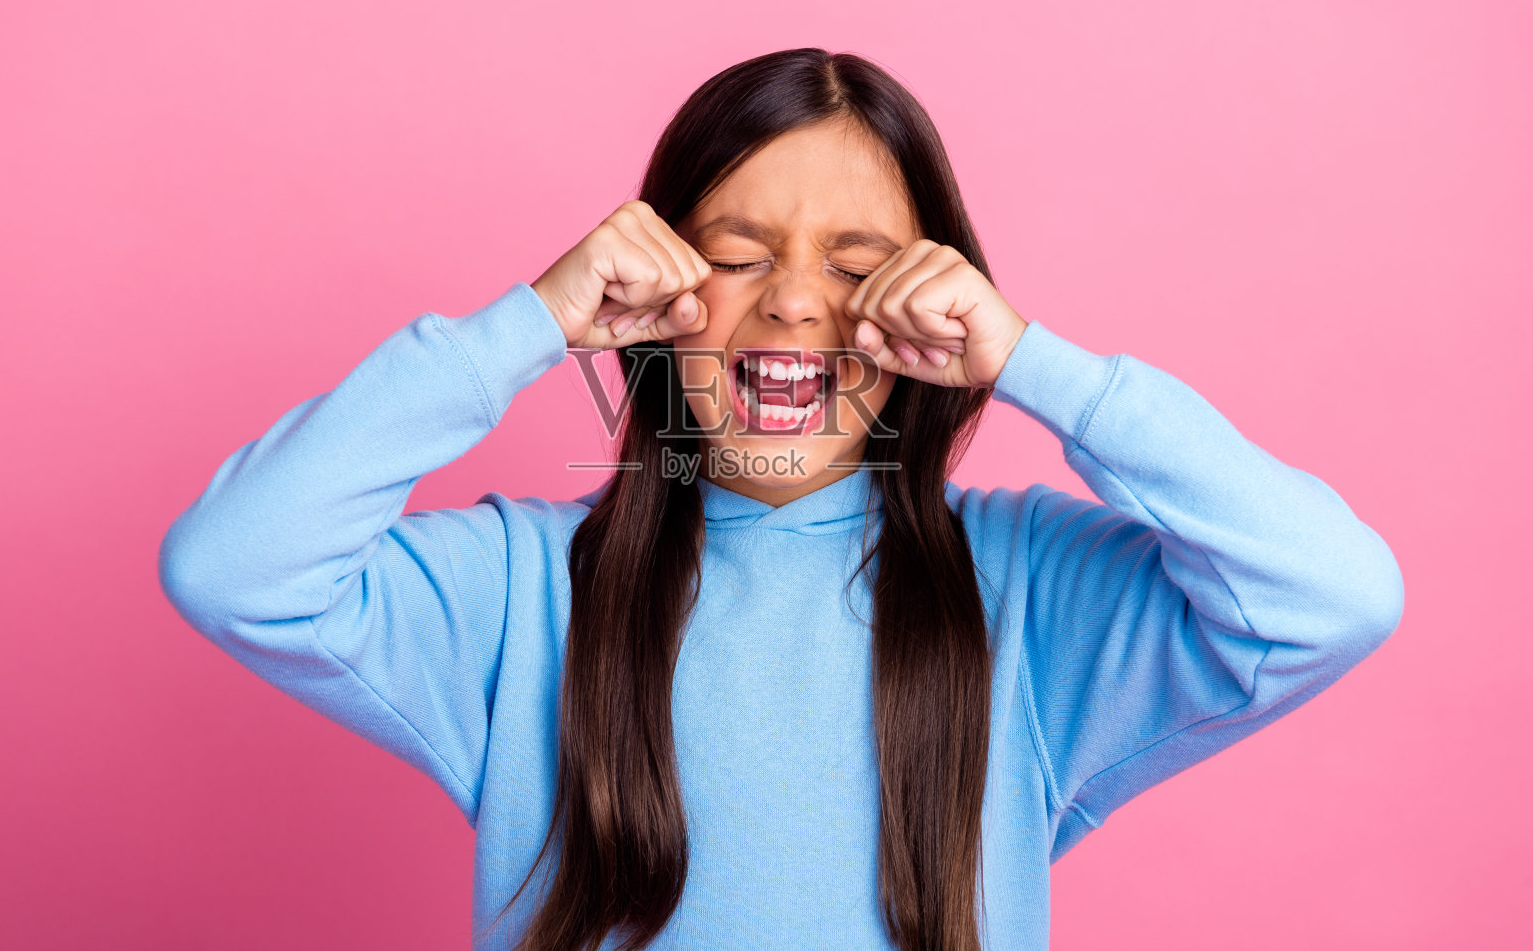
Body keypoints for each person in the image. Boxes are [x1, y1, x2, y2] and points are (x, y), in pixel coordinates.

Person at [157, 47, 1404, 951]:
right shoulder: (520, 594)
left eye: (860, 269)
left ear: (935, 310)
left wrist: (1037, 363)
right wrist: (529, 325)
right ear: (649, 292)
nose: (797, 301)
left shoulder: (1023, 592)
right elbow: (234, 565)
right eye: (740, 256)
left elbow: (1331, 594)